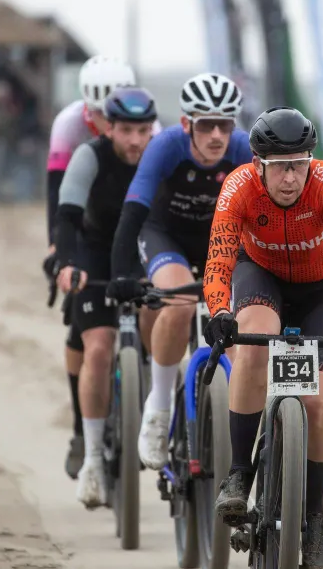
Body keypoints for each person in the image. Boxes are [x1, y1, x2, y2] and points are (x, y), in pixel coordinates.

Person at [200, 107, 323, 569]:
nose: (290, 177)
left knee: (316, 404)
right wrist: (220, 310)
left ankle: (314, 516)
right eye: (280, 166)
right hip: (262, 278)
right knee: (253, 344)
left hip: (318, 290)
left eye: (299, 165)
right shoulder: (239, 186)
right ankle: (239, 473)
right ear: (257, 165)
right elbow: (219, 260)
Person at [107, 72, 252, 470]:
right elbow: (132, 213)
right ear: (187, 123)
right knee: (181, 302)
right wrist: (121, 274)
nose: (217, 135)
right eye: (206, 125)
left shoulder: (243, 149)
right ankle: (158, 407)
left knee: (237, 327)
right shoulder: (165, 146)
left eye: (225, 124)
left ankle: (230, 430)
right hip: (164, 235)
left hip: (218, 241)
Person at [53, 85, 158, 508]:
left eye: (143, 131)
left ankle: (155, 403)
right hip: (94, 255)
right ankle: (94, 458)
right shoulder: (89, 156)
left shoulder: (161, 155)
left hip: (144, 252)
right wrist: (66, 263)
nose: (135, 140)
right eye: (126, 130)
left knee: (164, 329)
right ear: (108, 128)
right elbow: (66, 217)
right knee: (97, 348)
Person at [44, 55, 138, 481]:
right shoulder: (69, 127)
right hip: (86, 230)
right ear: (87, 108)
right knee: (81, 328)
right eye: (99, 113)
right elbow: (58, 198)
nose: (108, 121)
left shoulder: (143, 128)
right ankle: (82, 431)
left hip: (130, 228)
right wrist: (58, 252)